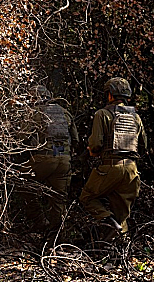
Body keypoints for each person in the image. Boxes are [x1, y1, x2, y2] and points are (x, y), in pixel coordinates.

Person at [79, 77, 147, 238]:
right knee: (122, 214)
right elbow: (143, 146)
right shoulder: (136, 117)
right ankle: (121, 248)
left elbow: (95, 144)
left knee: (87, 198)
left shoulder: (102, 114)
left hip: (110, 166)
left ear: (109, 94)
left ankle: (109, 223)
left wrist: (92, 151)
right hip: (131, 170)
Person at [19, 84, 79, 236]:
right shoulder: (64, 112)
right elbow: (76, 139)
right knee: (59, 199)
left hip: (43, 159)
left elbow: (21, 138)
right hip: (64, 160)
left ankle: (40, 221)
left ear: (34, 98)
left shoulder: (35, 113)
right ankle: (56, 236)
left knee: (21, 182)